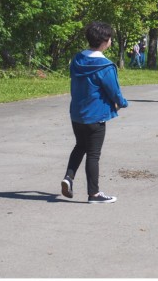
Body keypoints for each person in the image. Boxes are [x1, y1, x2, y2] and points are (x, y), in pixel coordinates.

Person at [61, 21, 128, 204]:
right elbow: (114, 91)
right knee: (93, 154)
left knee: (80, 146)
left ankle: (69, 177)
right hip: (96, 116)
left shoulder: (77, 59)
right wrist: (122, 103)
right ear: (105, 41)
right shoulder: (105, 66)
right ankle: (94, 194)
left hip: (77, 113)